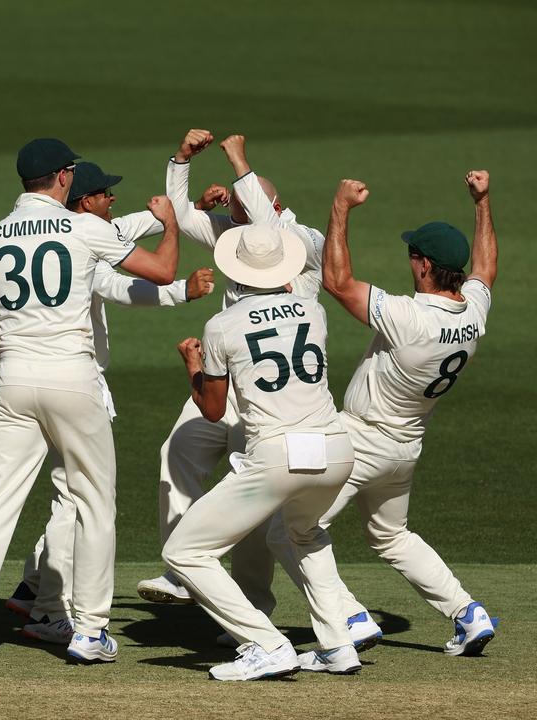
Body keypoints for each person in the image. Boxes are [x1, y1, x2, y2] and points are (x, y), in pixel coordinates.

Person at [0, 138, 180, 668]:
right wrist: (169, 225)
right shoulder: (84, 227)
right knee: (94, 502)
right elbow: (163, 272)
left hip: (10, 378)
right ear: (61, 177)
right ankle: (91, 630)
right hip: (72, 376)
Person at [269, 173, 499, 659]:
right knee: (390, 534)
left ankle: (348, 618)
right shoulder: (473, 314)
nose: (408, 260)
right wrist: (482, 203)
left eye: (412, 254)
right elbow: (486, 269)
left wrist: (340, 207)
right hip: (406, 447)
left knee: (290, 529)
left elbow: (337, 282)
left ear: (424, 266)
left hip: (358, 441)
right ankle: (466, 612)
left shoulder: (409, 317)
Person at [138, 130, 350, 646]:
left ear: (267, 205)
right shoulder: (241, 233)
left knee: (258, 505)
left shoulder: (299, 241)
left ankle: (254, 612)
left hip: (272, 397)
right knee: (178, 449)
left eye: (240, 209)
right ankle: (184, 568)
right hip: (228, 371)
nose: (230, 224)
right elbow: (183, 218)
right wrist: (181, 160)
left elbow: (266, 224)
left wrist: (238, 161)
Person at [0, 160, 215, 642]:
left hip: (42, 378)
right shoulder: (79, 247)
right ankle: (48, 606)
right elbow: (124, 287)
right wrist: (183, 290)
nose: (112, 200)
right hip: (74, 383)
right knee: (76, 498)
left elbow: (136, 221)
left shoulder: (85, 230)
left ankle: (32, 586)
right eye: (105, 195)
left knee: (69, 492)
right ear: (85, 202)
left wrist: (188, 210)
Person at [165, 224, 357, 681]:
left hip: (277, 455)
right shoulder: (314, 311)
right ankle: (337, 646)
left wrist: (193, 364)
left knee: (184, 551)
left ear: (237, 273)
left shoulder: (222, 325)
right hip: (335, 448)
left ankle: (266, 643)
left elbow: (213, 410)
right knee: (306, 534)